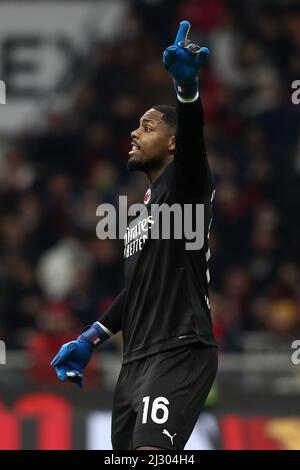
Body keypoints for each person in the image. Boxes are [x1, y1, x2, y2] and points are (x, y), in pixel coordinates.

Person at [51, 20, 218, 451]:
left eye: (147, 127)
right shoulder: (142, 212)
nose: (134, 132)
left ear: (173, 143)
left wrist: (186, 93)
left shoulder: (187, 185)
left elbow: (195, 138)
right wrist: (91, 338)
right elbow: (138, 288)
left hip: (178, 348)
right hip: (135, 361)